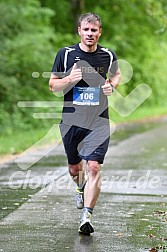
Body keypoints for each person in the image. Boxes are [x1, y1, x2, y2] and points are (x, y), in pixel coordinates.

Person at [49, 12, 121, 235]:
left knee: (93, 166)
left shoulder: (108, 55)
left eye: (94, 30)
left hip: (98, 121)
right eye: (86, 30)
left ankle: (86, 216)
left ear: (100, 32)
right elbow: (52, 86)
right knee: (74, 168)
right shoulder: (66, 54)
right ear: (79, 30)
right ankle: (80, 187)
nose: (90, 34)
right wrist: (69, 79)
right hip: (71, 121)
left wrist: (112, 85)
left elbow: (116, 74)